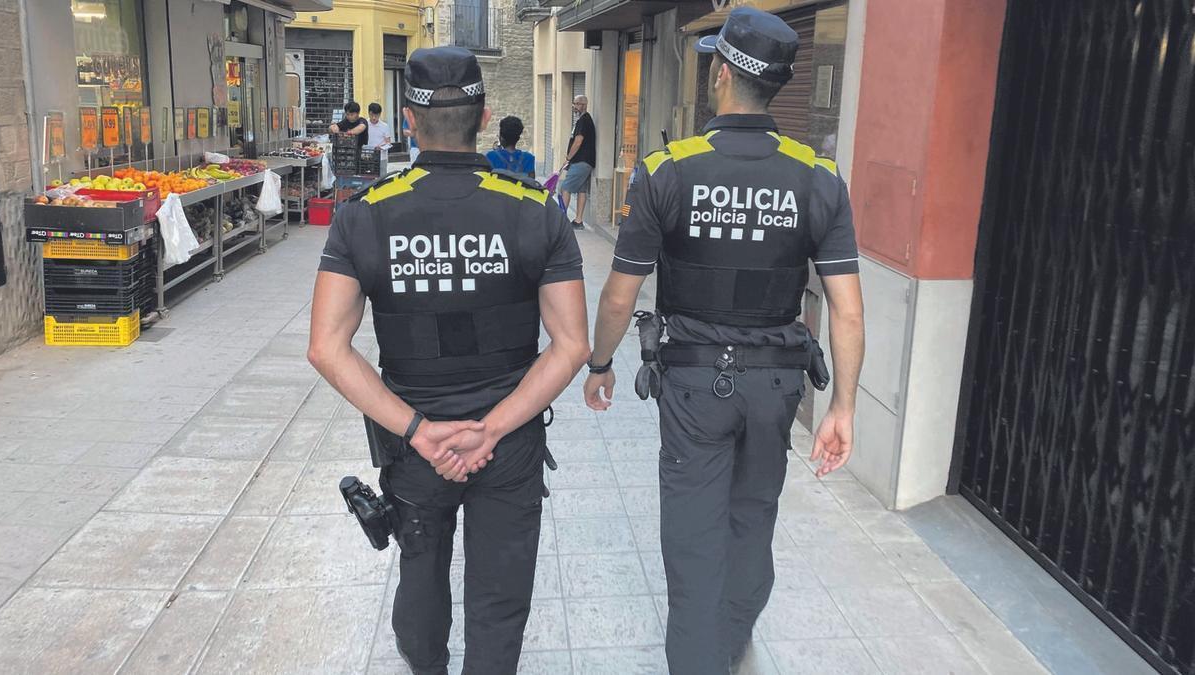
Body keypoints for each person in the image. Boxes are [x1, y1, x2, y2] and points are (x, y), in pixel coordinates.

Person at [582, 8, 865, 674]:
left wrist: (599, 364)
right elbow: (846, 311)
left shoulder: (667, 169)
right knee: (752, 520)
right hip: (776, 387)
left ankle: (701, 657)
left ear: (720, 74)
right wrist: (843, 407)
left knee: (692, 539)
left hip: (693, 387)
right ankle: (729, 640)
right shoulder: (818, 177)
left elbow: (621, 293)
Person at [308, 46, 589, 675]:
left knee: (421, 576)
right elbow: (571, 345)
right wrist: (491, 428)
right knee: (501, 595)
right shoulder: (536, 210)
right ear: (484, 116)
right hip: (508, 443)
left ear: (408, 119)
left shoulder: (364, 215)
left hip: (415, 444)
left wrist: (418, 430)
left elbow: (326, 347)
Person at [559, 95, 595, 229]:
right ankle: (578, 221)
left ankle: (561, 220)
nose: (574, 106)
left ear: (584, 105)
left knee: (565, 187)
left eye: (577, 104)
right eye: (573, 103)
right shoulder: (583, 120)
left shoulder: (583, 121)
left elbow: (578, 141)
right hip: (585, 162)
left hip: (581, 161)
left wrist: (568, 158)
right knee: (581, 190)